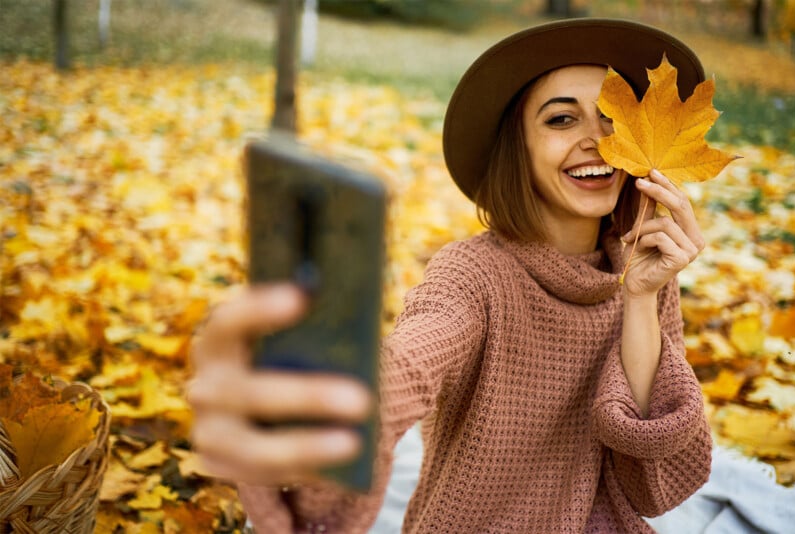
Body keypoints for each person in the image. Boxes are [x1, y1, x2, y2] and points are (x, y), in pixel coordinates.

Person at [188, 18, 713, 533]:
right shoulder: (473, 274)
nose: (597, 141)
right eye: (560, 120)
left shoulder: (647, 270)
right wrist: (332, 412)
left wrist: (642, 299)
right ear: (519, 148)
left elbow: (652, 485)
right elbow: (410, 362)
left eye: (610, 119)